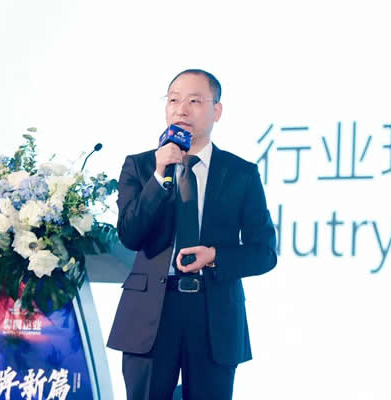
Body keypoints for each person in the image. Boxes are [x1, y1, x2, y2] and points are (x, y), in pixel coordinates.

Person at [107, 69, 277, 400]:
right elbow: (130, 235)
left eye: (194, 101)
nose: (181, 109)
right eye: (173, 100)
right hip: (151, 315)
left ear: (217, 111)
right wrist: (159, 176)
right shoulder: (140, 166)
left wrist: (215, 256)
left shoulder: (241, 173)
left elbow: (264, 252)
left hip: (213, 314)